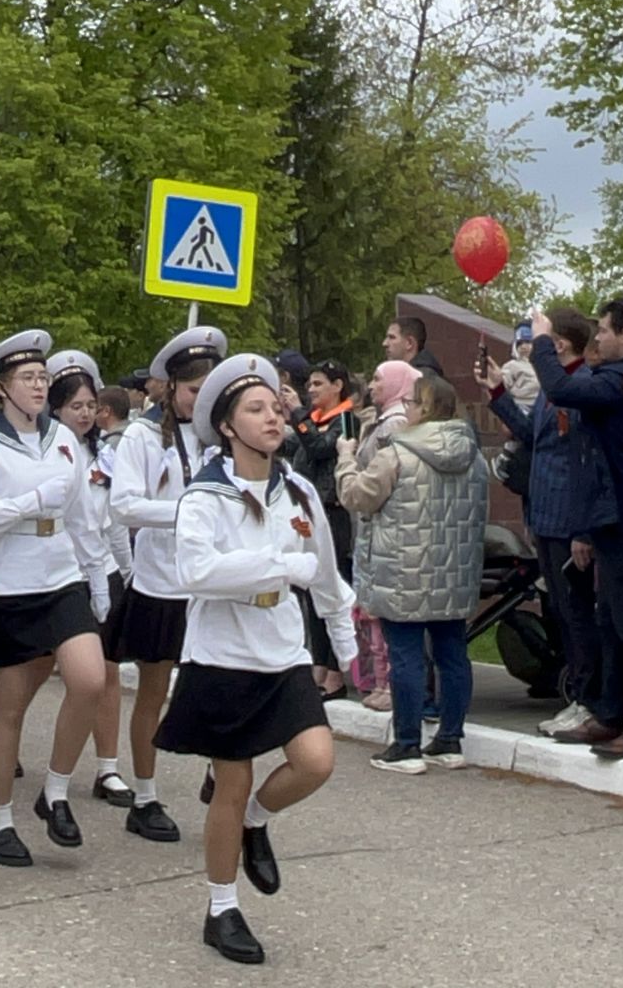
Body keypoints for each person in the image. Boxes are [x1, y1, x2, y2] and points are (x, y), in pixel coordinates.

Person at [154, 353, 355, 966]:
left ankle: (256, 823)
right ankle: (222, 909)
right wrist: (274, 566)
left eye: (275, 405)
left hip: (281, 651)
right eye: (256, 409)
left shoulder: (297, 491)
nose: (274, 416)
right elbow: (196, 571)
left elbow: (325, 575)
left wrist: (349, 651)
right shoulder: (205, 496)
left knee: (316, 761)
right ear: (227, 428)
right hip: (222, 657)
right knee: (232, 781)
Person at [0, 331, 110, 867]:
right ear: (1, 387)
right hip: (8, 583)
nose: (40, 386)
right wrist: (28, 502)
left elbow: (83, 512)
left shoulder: (64, 438)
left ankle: (56, 791)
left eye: (44, 377)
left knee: (90, 678)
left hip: (60, 572)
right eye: (28, 378)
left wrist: (97, 575)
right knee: (10, 709)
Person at [531, 297, 623, 758]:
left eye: (604, 331)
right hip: (610, 513)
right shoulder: (619, 375)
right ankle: (609, 714)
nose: (597, 339)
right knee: (610, 619)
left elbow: (562, 389)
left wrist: (541, 339)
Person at [111, 325, 228, 844]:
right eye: (191, 391)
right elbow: (124, 505)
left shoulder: (218, 436)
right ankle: (144, 795)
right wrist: (186, 512)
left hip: (210, 581)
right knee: (153, 691)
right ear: (171, 388)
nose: (199, 402)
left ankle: (216, 770)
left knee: (218, 683)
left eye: (208, 392)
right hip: (162, 581)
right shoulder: (141, 435)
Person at [336, 374, 489, 774]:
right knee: (453, 654)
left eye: (412, 403)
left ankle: (406, 745)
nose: (407, 410)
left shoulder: (397, 454)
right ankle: (450, 741)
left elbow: (356, 496)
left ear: (425, 409)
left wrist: (346, 459)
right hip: (454, 573)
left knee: (406, 656)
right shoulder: (474, 456)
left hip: (402, 570)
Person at [47, 351, 135, 808]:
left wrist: (126, 569)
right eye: (74, 405)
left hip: (104, 571)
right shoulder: (47, 452)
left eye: (89, 405)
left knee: (107, 675)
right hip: (61, 574)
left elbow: (115, 517)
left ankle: (108, 767)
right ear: (56, 409)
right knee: (34, 669)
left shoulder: (105, 452)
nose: (84, 413)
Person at [347, 360, 422, 711]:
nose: (373, 385)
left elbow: (377, 479)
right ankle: (379, 681)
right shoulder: (382, 421)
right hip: (370, 527)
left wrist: (346, 461)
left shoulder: (395, 424)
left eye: (379, 379)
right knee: (371, 609)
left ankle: (389, 684)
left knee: (381, 610)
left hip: (382, 525)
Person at [289, 360, 361, 701]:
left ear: (337, 386)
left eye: (319, 384)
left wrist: (297, 415)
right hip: (307, 512)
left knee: (332, 587)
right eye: (310, 384)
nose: (311, 389)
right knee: (310, 588)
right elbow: (298, 451)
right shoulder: (313, 420)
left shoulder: (346, 419)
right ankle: (318, 664)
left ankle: (335, 672)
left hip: (333, 513)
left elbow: (319, 449)